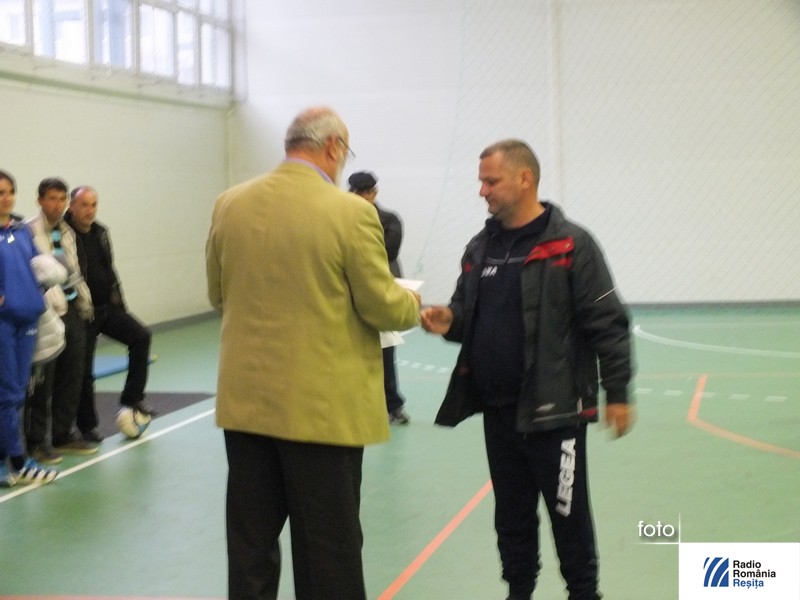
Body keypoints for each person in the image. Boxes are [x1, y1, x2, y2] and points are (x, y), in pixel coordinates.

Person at [206, 106, 421, 600]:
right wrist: (411, 303)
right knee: (329, 552)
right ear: (332, 148)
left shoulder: (229, 203)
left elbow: (218, 294)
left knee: (251, 547)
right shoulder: (352, 213)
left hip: (247, 408)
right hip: (321, 412)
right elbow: (380, 305)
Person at [420, 140, 634, 600]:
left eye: (490, 181)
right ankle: (519, 591)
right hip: (499, 412)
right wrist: (449, 320)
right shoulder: (480, 248)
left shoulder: (571, 244)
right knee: (511, 517)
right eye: (481, 181)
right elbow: (466, 313)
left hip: (556, 414)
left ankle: (584, 592)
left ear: (525, 179)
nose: (482, 190)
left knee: (568, 515)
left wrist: (617, 392)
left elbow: (608, 323)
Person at [65, 186, 154, 441]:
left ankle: (132, 398)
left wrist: (120, 304)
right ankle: (87, 426)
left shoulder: (100, 232)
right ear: (72, 206)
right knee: (84, 371)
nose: (89, 210)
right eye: (84, 205)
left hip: (107, 309)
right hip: (82, 313)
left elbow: (109, 269)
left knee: (141, 336)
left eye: (93, 205)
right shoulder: (65, 234)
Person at [25, 177, 97, 460]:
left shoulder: (68, 232)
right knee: (43, 384)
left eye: (62, 199)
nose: (57, 205)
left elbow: (74, 271)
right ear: (40, 201)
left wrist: (84, 301)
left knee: (72, 376)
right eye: (51, 199)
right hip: (46, 315)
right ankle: (36, 442)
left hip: (72, 311)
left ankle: (63, 434)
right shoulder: (28, 232)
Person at [0, 170, 59, 487]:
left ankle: (10, 458)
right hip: (4, 323)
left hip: (29, 320)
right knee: (7, 393)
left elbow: (39, 267)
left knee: (18, 392)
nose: (6, 198)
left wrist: (51, 275)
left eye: (10, 191)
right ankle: (17, 461)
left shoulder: (22, 231)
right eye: (0, 193)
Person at [347, 170, 411, 425]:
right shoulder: (341, 219)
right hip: (350, 291)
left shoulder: (390, 220)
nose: (363, 197)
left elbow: (387, 251)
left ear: (374, 193)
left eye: (367, 193)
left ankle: (393, 406)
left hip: (383, 290)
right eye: (357, 193)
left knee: (385, 352)